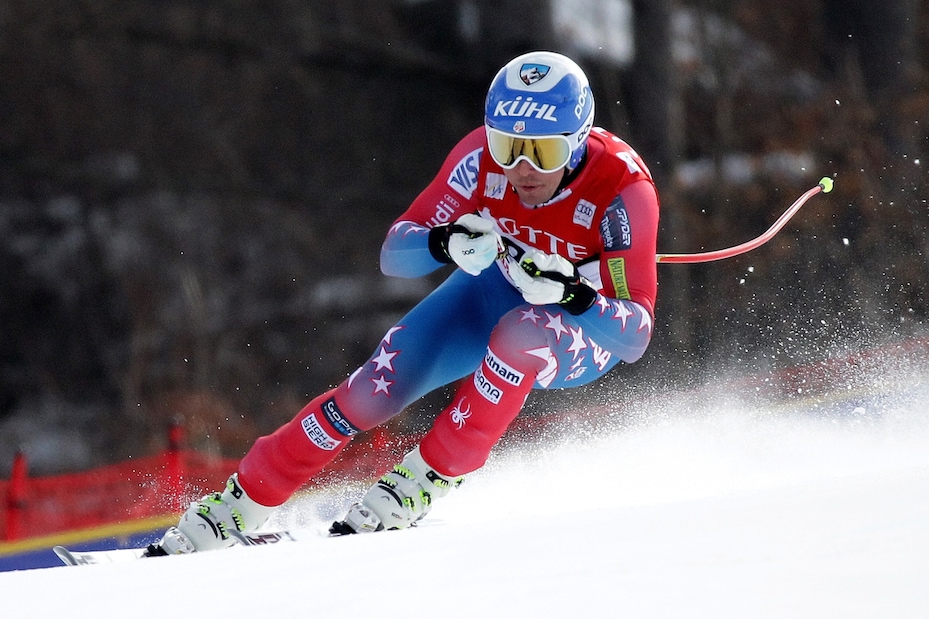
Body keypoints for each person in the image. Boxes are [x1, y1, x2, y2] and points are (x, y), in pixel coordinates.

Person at [148, 50, 660, 554]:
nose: (522, 168)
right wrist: (444, 243)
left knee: (522, 335)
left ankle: (420, 482)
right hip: (491, 293)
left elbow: (634, 335)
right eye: (508, 146)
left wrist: (572, 293)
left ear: (576, 144)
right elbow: (396, 251)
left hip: (580, 326)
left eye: (543, 152)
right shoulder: (477, 159)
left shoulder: (621, 190)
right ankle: (240, 503)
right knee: (372, 389)